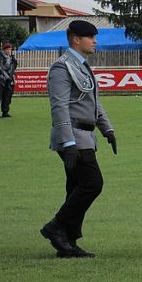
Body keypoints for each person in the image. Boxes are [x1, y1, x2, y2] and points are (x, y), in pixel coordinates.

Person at [40, 20, 117, 259]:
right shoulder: (62, 67)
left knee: (75, 187)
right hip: (74, 136)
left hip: (85, 135)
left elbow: (93, 101)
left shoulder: (80, 65)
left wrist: (107, 129)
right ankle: (56, 226)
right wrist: (68, 142)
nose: (95, 41)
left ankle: (68, 241)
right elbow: (59, 106)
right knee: (92, 184)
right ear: (75, 39)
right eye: (90, 37)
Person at [0, 42, 17, 117]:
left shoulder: (12, 58)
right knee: (3, 96)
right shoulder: (2, 57)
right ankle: (2, 111)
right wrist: (7, 76)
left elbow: (13, 68)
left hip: (10, 78)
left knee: (8, 96)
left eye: (10, 49)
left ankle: (6, 110)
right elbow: (2, 68)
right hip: (4, 79)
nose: (9, 51)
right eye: (7, 49)